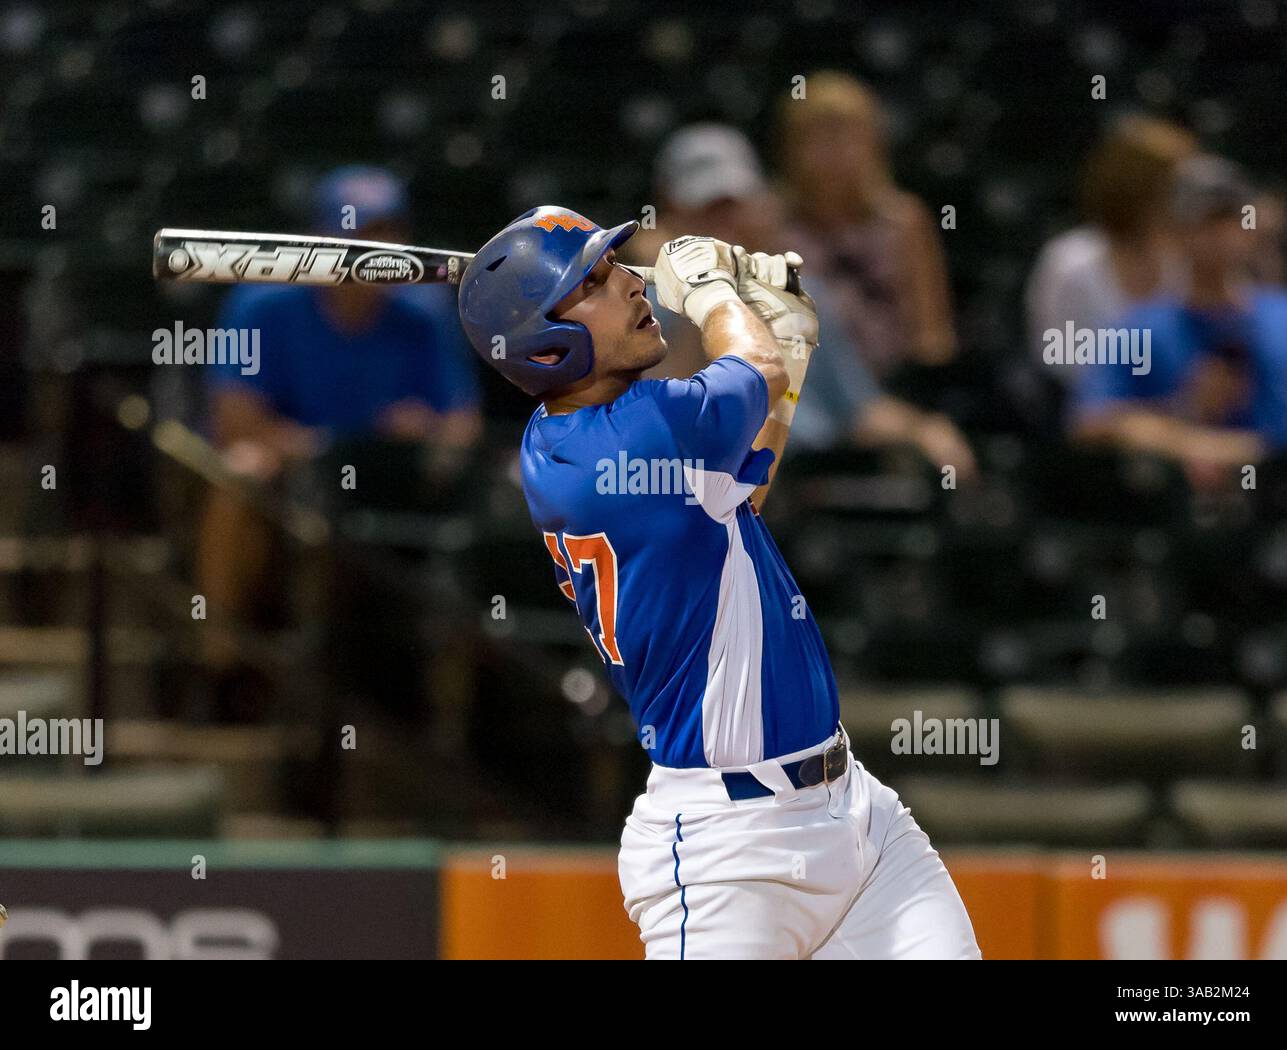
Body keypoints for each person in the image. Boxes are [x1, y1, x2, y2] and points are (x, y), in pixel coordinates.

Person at [457, 206, 981, 959]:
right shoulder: (626, 440)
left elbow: (738, 488)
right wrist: (711, 290)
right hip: (725, 855)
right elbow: (754, 373)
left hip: (857, 818)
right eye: (598, 282)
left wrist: (786, 346)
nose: (636, 284)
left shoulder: (587, 440)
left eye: (617, 267)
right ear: (547, 347)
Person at [194, 166, 482, 719]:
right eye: (365, 236)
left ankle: (450, 708)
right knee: (241, 470)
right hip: (293, 477)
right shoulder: (263, 304)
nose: (384, 249)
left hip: (388, 482)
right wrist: (328, 445)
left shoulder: (422, 314)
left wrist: (428, 435)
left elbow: (460, 424)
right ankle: (221, 663)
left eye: (391, 233)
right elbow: (236, 423)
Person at [637, 123, 976, 474]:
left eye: (734, 208)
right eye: (707, 211)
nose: (724, 225)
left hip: (812, 478)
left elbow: (860, 412)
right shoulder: (639, 304)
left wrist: (922, 431)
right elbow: (667, 417)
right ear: (671, 212)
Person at [1071, 155, 1287, 489]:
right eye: (1202, 222)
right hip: (1179, 508)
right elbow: (1089, 425)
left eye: (1227, 219)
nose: (1218, 235)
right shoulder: (1140, 328)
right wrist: (1184, 420)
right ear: (1174, 235)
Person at [777, 71, 958, 379]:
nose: (834, 151)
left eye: (846, 135)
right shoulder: (769, 223)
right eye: (819, 136)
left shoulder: (903, 220)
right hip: (804, 386)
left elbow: (932, 334)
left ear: (874, 143)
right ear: (792, 147)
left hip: (892, 380)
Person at [1026, 115, 1196, 388]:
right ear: (1137, 189)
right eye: (1174, 189)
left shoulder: (1187, 261)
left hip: (1184, 408)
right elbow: (1056, 354)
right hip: (1091, 411)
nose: (1186, 201)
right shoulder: (1071, 261)